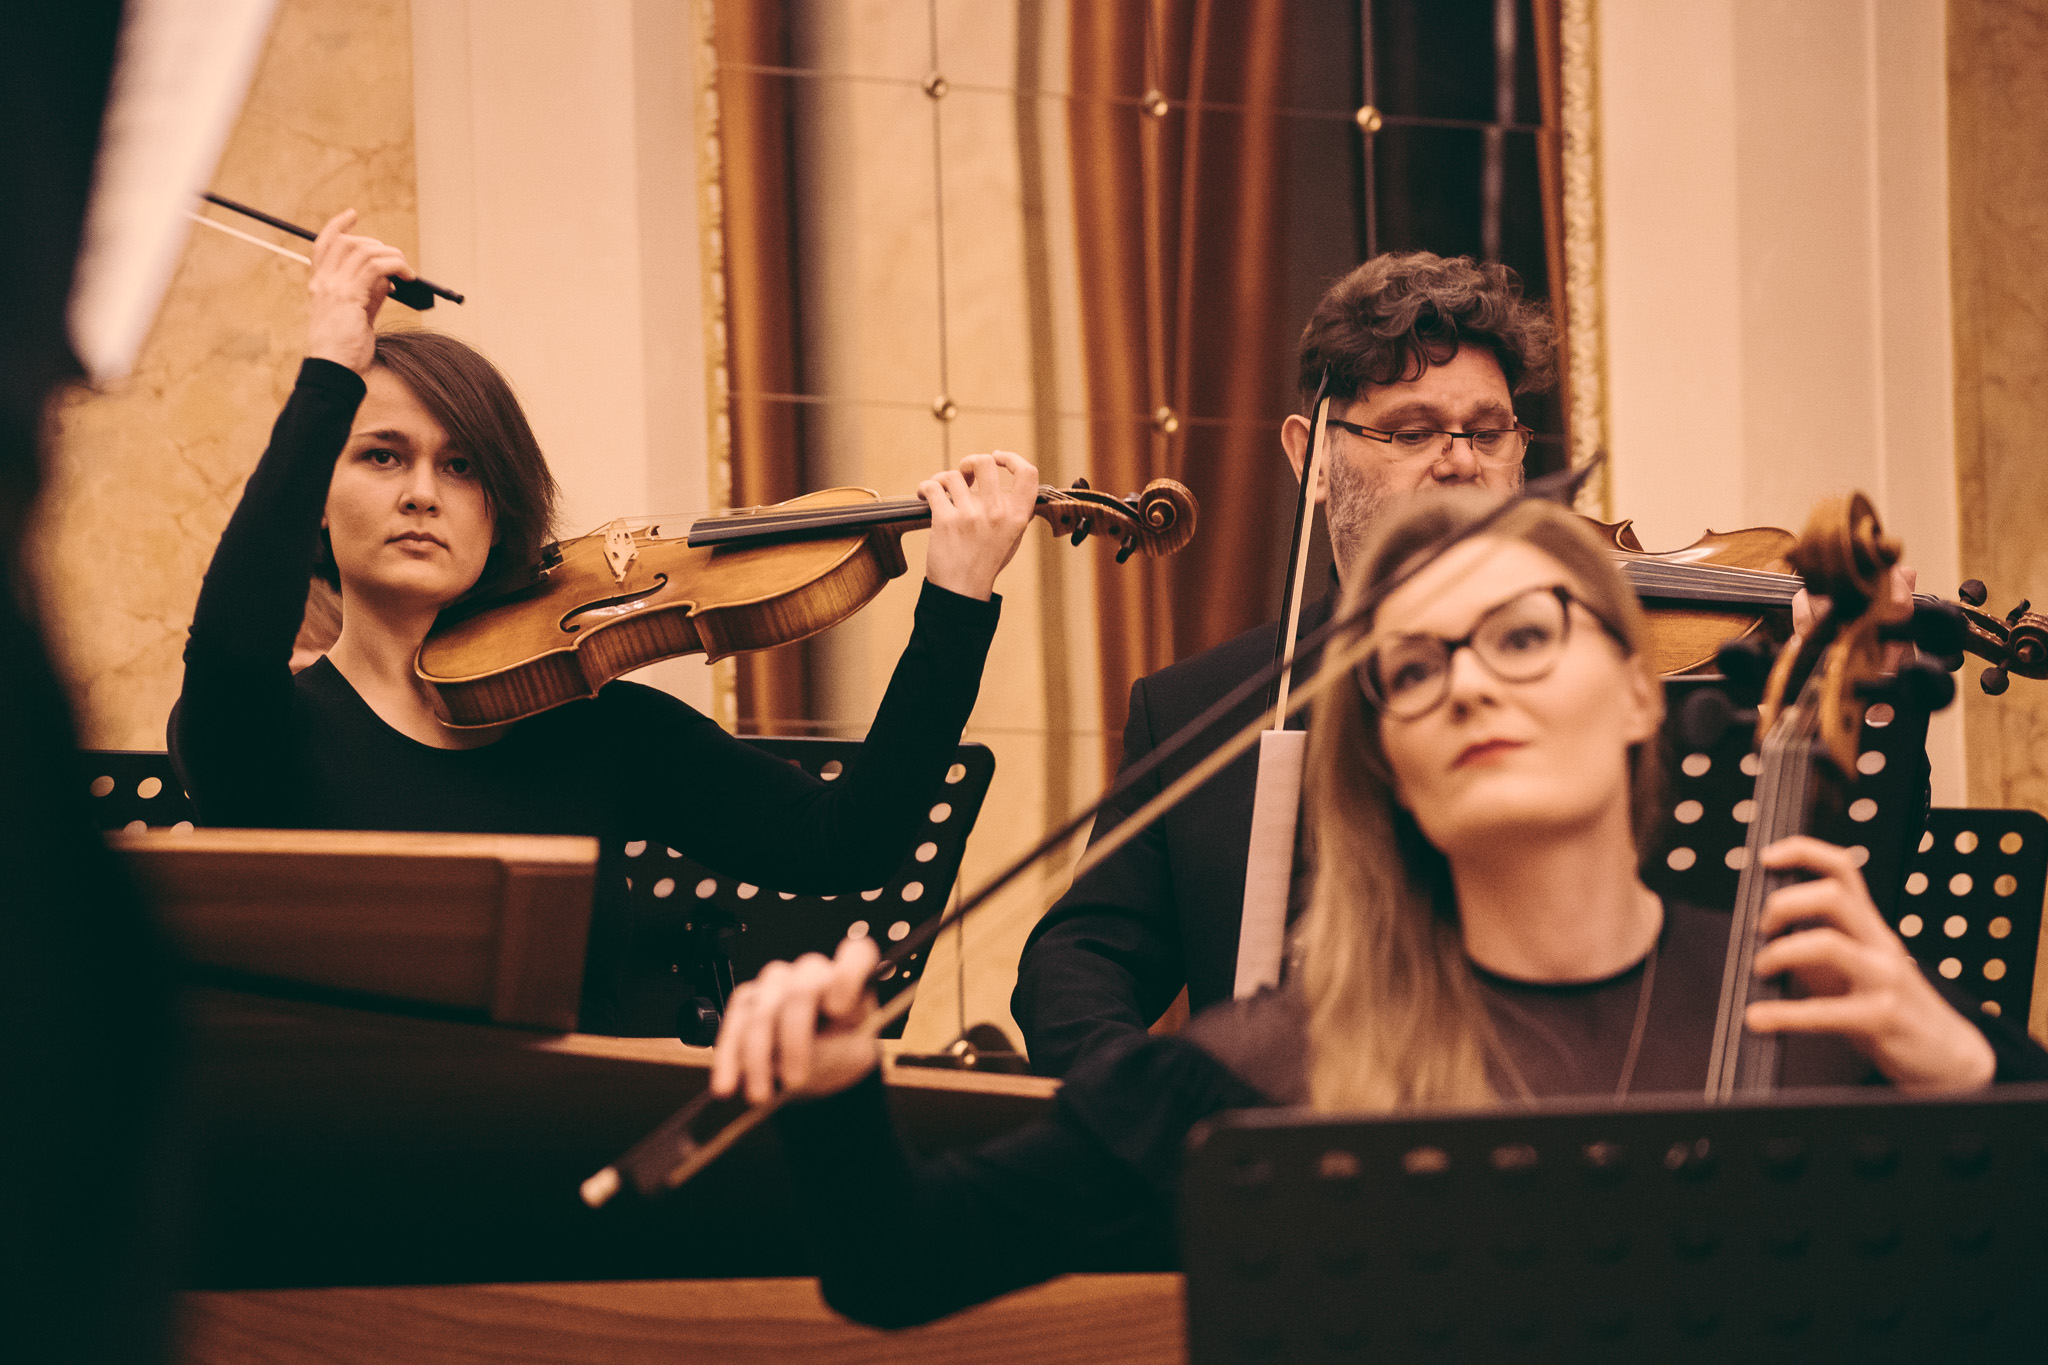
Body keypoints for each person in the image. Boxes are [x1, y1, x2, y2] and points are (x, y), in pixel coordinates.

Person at [711, 488, 2046, 1328]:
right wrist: (835, 1096)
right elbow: (900, 1265)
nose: (1466, 683)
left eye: (1522, 636)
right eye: (1413, 668)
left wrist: (1970, 1070)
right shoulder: (1257, 1075)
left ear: (1641, 690)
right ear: (1391, 763)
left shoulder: (1820, 1013)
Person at [172, 212, 1040, 1035]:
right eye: (382, 455)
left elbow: (841, 843)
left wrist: (956, 601)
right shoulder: (263, 738)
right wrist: (329, 365)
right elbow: (230, 649)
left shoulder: (596, 730)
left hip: (568, 1131)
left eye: (462, 465)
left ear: (500, 515)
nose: (423, 493)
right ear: (317, 503)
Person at [1012, 251, 1550, 1077]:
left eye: (1487, 432)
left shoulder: (1579, 682)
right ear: (1312, 459)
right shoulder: (1200, 709)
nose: (1459, 462)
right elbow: (1075, 967)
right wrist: (1161, 1106)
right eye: (1412, 432)